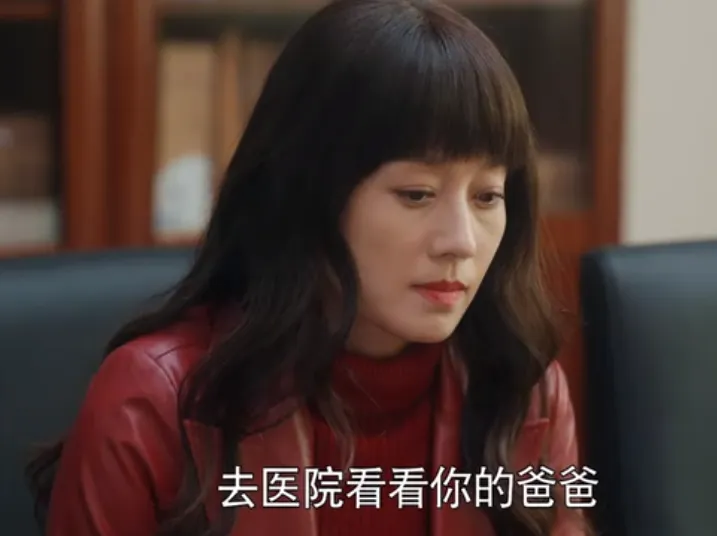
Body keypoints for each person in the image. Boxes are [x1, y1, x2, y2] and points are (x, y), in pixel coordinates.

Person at [28, 0, 588, 534]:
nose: (461, 242)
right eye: (416, 194)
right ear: (309, 194)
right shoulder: (152, 403)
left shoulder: (522, 391)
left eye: (487, 197)